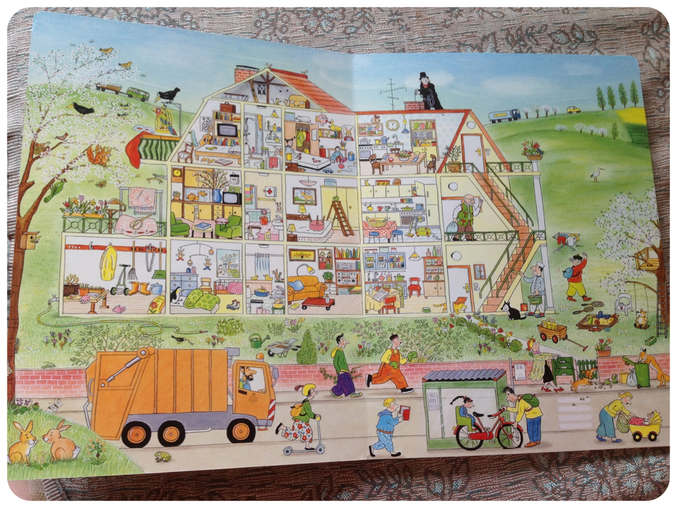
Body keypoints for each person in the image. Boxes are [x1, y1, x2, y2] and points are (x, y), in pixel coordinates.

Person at [276, 383, 321, 450]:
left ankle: (283, 427)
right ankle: (307, 446)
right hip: (301, 422)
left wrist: (315, 416)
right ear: (308, 394)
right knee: (307, 431)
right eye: (312, 392)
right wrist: (315, 416)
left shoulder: (305, 401)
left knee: (298, 433)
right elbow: (309, 412)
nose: (313, 393)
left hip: (300, 421)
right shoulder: (306, 403)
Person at [330, 334, 362, 399]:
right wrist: (339, 371)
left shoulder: (340, 351)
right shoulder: (338, 352)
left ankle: (334, 391)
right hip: (342, 371)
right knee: (348, 382)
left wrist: (345, 342)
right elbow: (335, 362)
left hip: (344, 370)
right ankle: (352, 393)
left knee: (341, 384)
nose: (344, 341)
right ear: (339, 342)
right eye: (342, 339)